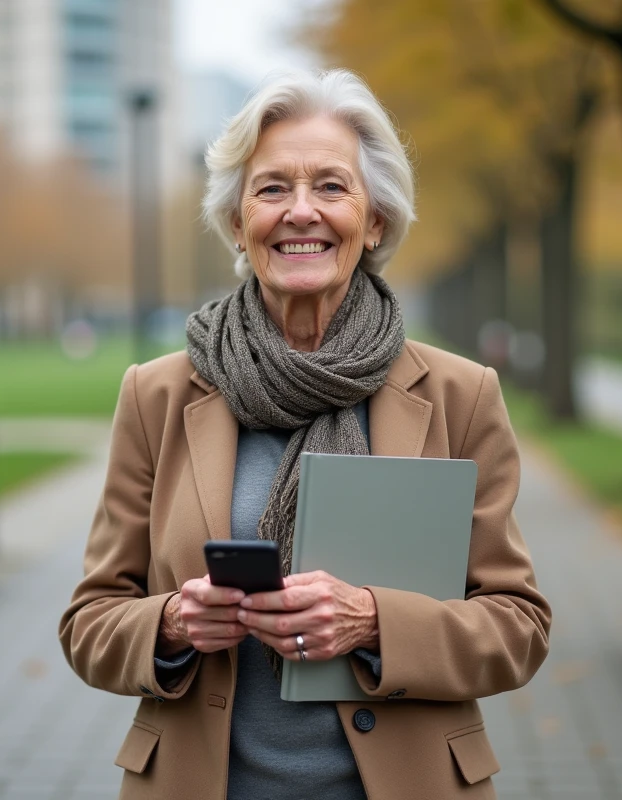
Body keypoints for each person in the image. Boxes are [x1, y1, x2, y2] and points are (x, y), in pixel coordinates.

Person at [59, 69, 551, 800]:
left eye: (330, 186)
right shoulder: (156, 395)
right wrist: (171, 624)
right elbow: (89, 623)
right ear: (236, 222)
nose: (300, 212)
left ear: (374, 219)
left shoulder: (459, 395)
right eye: (270, 188)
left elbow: (519, 627)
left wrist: (373, 621)